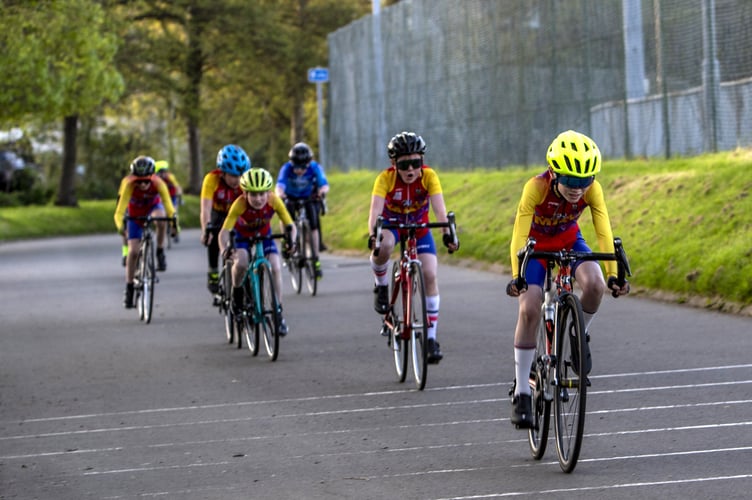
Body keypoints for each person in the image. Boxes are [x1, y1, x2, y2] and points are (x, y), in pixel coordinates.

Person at [505, 129, 630, 429]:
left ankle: (578, 334)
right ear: (554, 173)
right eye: (571, 181)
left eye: (585, 182)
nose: (578, 189)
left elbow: (603, 230)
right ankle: (522, 391)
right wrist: (517, 275)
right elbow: (519, 234)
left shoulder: (591, 190)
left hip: (569, 240)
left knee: (595, 284)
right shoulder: (535, 187)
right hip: (534, 246)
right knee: (530, 308)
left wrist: (613, 275)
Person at [367, 131, 459, 364]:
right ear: (393, 164)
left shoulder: (429, 176)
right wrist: (372, 235)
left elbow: (439, 209)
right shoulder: (385, 179)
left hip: (419, 227)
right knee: (384, 245)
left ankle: (430, 339)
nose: (410, 170)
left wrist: (447, 234)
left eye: (416, 163)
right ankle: (381, 286)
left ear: (422, 162)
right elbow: (375, 211)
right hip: (393, 224)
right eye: (404, 164)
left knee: (429, 274)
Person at [219, 167, 296, 336]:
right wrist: (225, 249)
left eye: (262, 193)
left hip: (264, 235)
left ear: (268, 192)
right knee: (242, 263)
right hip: (242, 236)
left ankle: (278, 313)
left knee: (275, 267)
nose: (258, 198)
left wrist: (292, 241)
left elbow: (290, 224)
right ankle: (237, 293)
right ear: (245, 193)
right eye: (253, 194)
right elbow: (224, 232)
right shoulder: (239, 204)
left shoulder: (274, 200)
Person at [114, 155, 176, 308]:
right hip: (135, 214)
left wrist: (175, 224)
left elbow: (169, 207)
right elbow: (119, 210)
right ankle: (129, 288)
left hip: (152, 208)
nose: (142, 184)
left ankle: (160, 250)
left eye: (146, 181)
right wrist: (120, 227)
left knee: (161, 219)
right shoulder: (128, 184)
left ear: (152, 177)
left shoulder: (158, 183)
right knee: (133, 252)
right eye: (138, 180)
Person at [200, 144, 250, 295]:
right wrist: (205, 229)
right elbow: (205, 209)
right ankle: (213, 272)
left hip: (238, 214)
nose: (237, 180)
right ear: (222, 173)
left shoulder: (244, 181)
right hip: (219, 212)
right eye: (233, 176)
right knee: (213, 233)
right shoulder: (211, 179)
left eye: (240, 175)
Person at [275, 142, 329, 278]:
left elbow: (324, 184)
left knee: (314, 226)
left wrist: (322, 192)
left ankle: (315, 259)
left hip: (308, 197)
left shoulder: (315, 167)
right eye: (296, 167)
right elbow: (279, 185)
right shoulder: (286, 168)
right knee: (286, 218)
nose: (299, 171)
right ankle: (285, 241)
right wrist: (280, 194)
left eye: (302, 168)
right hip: (291, 197)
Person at [154, 160, 183, 243]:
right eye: (160, 172)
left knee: (174, 212)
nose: (163, 174)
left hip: (172, 197)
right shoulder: (155, 180)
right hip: (162, 198)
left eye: (164, 172)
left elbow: (177, 187)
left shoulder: (170, 177)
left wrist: (179, 196)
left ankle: (175, 230)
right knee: (162, 214)